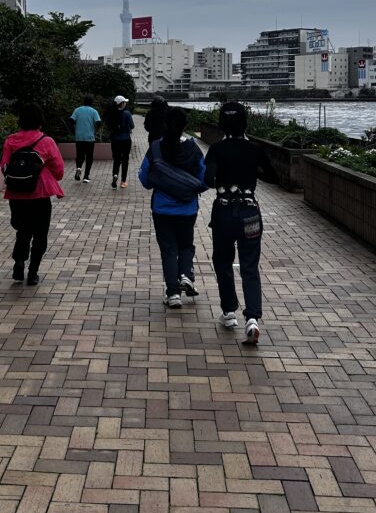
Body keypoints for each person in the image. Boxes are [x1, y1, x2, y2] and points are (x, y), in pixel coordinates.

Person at [203, 100, 277, 343]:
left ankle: (229, 311)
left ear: (222, 124)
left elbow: (209, 179)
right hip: (250, 213)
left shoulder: (216, 149)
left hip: (223, 212)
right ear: (245, 122)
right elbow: (274, 177)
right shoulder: (254, 149)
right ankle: (252, 318)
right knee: (249, 265)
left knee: (223, 261)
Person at [138, 107, 207, 308]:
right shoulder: (193, 149)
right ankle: (186, 274)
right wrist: (189, 188)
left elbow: (145, 180)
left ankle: (173, 293)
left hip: (162, 208)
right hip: (187, 209)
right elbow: (204, 179)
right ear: (186, 126)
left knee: (168, 249)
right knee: (186, 245)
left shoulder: (156, 148)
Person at [0, 103, 65, 286]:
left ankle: (19, 262)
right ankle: (33, 272)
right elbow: (58, 170)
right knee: (40, 234)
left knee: (23, 230)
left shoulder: (11, 140)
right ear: (40, 121)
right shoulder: (46, 141)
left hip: (16, 194)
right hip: (40, 194)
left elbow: (5, 166)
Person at [69, 94, 101, 182]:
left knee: (79, 155)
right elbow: (99, 122)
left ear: (83, 101)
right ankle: (86, 176)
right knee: (89, 157)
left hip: (79, 137)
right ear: (92, 102)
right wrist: (95, 131)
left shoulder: (77, 110)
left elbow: (71, 121)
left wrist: (74, 131)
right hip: (90, 138)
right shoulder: (94, 111)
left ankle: (79, 168)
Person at [107, 94, 134, 189]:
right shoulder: (126, 113)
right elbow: (132, 126)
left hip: (115, 140)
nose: (126, 103)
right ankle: (123, 181)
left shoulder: (112, 113)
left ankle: (115, 175)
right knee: (125, 160)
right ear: (121, 103)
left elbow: (109, 127)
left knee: (116, 160)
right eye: (125, 102)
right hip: (126, 140)